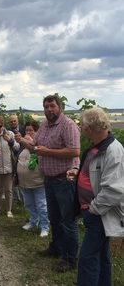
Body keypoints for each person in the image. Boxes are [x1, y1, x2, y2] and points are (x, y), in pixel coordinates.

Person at [19, 95, 80, 272]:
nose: (49, 110)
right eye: (46, 107)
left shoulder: (68, 125)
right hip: (49, 180)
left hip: (64, 180)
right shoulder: (44, 125)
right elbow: (36, 148)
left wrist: (48, 152)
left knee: (68, 221)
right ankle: (56, 249)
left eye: (52, 106)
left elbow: (75, 151)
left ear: (60, 107)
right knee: (54, 218)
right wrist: (23, 141)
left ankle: (70, 259)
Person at [67, 107, 124, 286]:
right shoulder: (97, 147)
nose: (81, 129)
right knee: (101, 256)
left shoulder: (113, 151)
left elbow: (114, 189)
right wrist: (78, 172)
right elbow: (94, 173)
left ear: (91, 127)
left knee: (87, 258)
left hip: (99, 213)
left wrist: (93, 209)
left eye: (82, 125)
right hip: (93, 212)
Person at [15, 121, 49, 237]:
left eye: (31, 131)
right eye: (27, 130)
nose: (28, 133)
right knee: (29, 204)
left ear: (37, 132)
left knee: (41, 205)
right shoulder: (22, 147)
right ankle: (33, 221)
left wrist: (27, 140)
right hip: (25, 182)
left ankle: (45, 226)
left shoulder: (40, 145)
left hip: (38, 182)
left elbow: (34, 150)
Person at [0, 115, 20, 218]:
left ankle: (9, 210)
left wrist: (10, 141)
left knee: (8, 190)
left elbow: (17, 148)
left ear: (3, 125)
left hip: (8, 166)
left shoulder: (10, 134)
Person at [8, 114, 25, 204]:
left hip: (23, 155)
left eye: (14, 121)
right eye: (11, 121)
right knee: (13, 176)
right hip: (12, 156)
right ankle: (15, 198)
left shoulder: (24, 129)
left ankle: (23, 198)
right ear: (8, 123)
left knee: (21, 176)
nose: (13, 123)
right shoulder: (7, 132)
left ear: (18, 121)